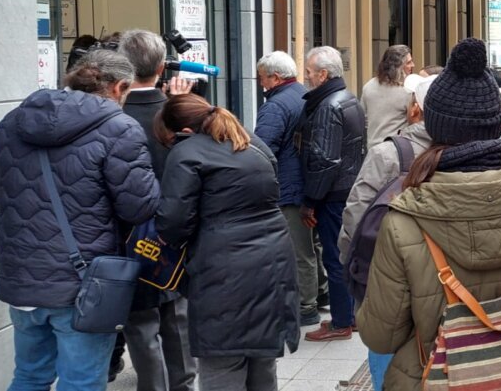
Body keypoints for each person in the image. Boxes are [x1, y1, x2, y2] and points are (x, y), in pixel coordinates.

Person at [357, 38, 501, 390]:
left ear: (434, 126)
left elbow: (381, 335)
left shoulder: (403, 218)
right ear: (496, 124)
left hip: (432, 376)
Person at [0, 50, 160, 391]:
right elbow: (138, 208)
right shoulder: (119, 128)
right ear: (119, 87)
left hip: (21, 278)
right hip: (84, 283)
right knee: (82, 382)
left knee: (29, 376)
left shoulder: (13, 121)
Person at [155, 94, 300, 391]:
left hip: (221, 269)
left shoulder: (186, 153)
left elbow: (172, 223)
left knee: (222, 361)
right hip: (273, 264)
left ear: (182, 132)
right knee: (262, 363)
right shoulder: (251, 143)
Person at [335, 74, 434, 391]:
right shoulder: (468, 154)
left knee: (384, 349)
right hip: (444, 282)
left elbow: (356, 214)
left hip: (385, 277)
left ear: (416, 108)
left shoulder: (389, 153)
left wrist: (351, 265)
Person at [116, 30, 198, 391]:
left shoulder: (110, 118)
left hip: (126, 236)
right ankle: (183, 384)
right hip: (175, 231)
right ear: (163, 67)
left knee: (140, 323)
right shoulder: (176, 113)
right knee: (177, 316)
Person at [298, 46, 367, 342]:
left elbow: (325, 160)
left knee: (335, 258)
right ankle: (349, 315)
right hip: (347, 188)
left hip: (332, 194)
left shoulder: (328, 106)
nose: (307, 77)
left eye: (310, 72)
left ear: (323, 75)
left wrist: (311, 201)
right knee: (346, 254)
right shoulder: (349, 98)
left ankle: (340, 322)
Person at [252, 51, 321, 327]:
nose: (261, 84)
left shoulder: (275, 106)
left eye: (263, 78)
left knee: (298, 248)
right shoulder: (304, 95)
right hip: (309, 182)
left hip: (289, 186)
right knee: (312, 245)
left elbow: (263, 148)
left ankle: (306, 306)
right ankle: (319, 293)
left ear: (276, 77)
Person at [361, 45, 414, 147]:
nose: (413, 65)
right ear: (398, 66)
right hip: (398, 151)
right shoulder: (407, 90)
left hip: (373, 149)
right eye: (408, 62)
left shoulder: (368, 86)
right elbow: (414, 123)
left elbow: (364, 119)